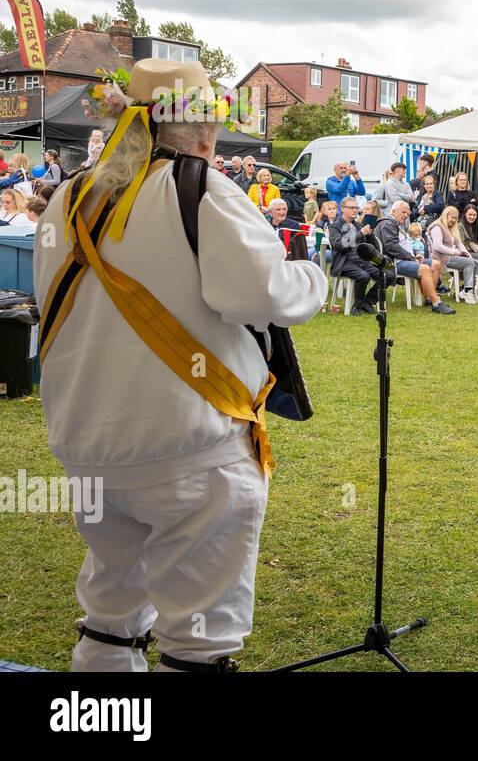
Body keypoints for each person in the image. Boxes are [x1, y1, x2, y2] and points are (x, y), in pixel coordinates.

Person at [34, 58, 326, 671]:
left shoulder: (66, 199)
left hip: (89, 449)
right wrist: (312, 276)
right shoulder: (201, 189)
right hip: (188, 450)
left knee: (110, 621)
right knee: (197, 645)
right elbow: (266, 294)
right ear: (200, 130)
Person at [375, 200, 454, 314]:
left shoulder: (395, 224)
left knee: (436, 264)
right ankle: (437, 302)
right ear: (393, 210)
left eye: (407, 214)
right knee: (425, 268)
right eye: (403, 212)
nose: (406, 216)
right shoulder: (387, 223)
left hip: (406, 258)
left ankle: (428, 298)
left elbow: (403, 245)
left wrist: (415, 255)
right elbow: (391, 247)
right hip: (394, 262)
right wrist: (411, 258)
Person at [330, 196, 393, 314]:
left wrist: (369, 234)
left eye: (356, 208)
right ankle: (357, 305)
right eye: (352, 207)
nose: (355, 210)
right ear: (342, 209)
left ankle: (368, 301)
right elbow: (340, 245)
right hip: (344, 262)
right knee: (363, 276)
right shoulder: (335, 226)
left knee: (389, 274)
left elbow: (371, 247)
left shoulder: (359, 225)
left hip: (362, 261)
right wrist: (360, 233)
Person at [428, 205, 478, 298]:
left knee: (477, 262)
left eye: (456, 218)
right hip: (441, 257)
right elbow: (437, 246)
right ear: (446, 215)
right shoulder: (437, 226)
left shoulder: (450, 228)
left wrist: (468, 255)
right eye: (452, 217)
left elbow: (460, 244)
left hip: (451, 256)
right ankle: (467, 291)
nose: (454, 220)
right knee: (469, 263)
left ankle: (474, 289)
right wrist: (456, 252)